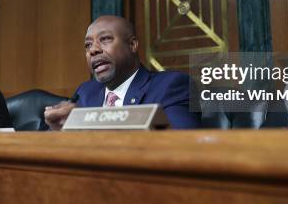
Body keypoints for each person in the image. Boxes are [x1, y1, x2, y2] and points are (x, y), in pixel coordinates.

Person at [44, 15, 200, 130]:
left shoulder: (171, 86)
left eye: (105, 39)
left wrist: (86, 120)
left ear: (132, 45)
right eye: (87, 45)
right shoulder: (85, 92)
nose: (93, 50)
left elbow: (182, 145)